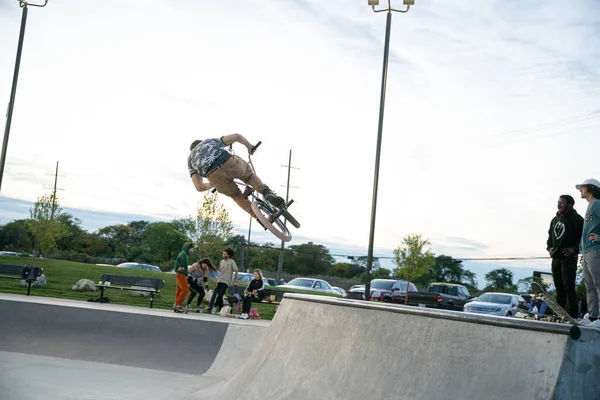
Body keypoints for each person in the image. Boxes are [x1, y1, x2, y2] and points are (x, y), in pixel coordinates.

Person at [187, 134, 286, 215]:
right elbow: (236, 137)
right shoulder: (208, 142)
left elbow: (199, 187)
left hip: (213, 175)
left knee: (236, 195)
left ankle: (258, 217)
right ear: (201, 143)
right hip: (229, 162)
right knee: (249, 176)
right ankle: (266, 192)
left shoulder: (190, 160)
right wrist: (249, 146)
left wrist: (213, 184)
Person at [546, 194, 584, 318]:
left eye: (561, 202)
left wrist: (575, 249)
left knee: (569, 286)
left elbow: (584, 237)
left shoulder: (577, 219)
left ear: (569, 205)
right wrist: (550, 248)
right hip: (556, 257)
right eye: (558, 202)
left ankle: (572, 315)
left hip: (568, 257)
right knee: (559, 287)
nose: (558, 205)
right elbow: (550, 237)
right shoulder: (554, 220)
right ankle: (559, 314)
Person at [577, 178, 600, 326]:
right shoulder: (591, 206)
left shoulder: (597, 204)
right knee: (589, 286)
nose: (580, 190)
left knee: (598, 284)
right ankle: (593, 316)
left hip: (595, 250)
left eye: (582, 187)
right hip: (586, 252)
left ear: (590, 188)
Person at [208, 248, 238, 315]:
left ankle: (215, 307)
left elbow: (236, 271)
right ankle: (221, 309)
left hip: (226, 281)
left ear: (228, 255)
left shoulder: (231, 262)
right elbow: (220, 272)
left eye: (225, 254)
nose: (223, 255)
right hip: (220, 280)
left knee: (220, 294)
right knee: (217, 295)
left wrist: (235, 281)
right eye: (223, 253)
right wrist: (217, 281)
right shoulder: (221, 262)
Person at [174, 243, 194, 313]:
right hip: (181, 274)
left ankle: (176, 306)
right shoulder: (184, 254)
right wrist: (180, 266)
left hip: (180, 274)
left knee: (179, 291)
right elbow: (179, 259)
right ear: (188, 248)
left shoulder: (183, 253)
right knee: (185, 290)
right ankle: (177, 305)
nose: (192, 251)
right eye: (192, 249)